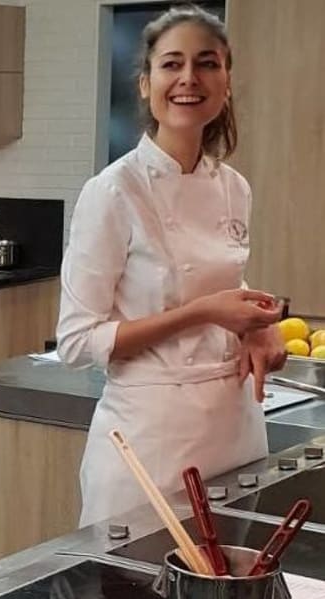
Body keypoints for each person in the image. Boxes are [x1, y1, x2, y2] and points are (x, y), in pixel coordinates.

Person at [56, 4, 286, 528]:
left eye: (207, 63)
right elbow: (76, 340)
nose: (189, 78)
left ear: (226, 82)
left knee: (226, 598)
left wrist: (254, 330)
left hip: (234, 432)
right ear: (145, 84)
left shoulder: (233, 187)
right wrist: (202, 313)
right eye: (171, 64)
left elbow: (225, 279)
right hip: (151, 445)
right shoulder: (112, 192)